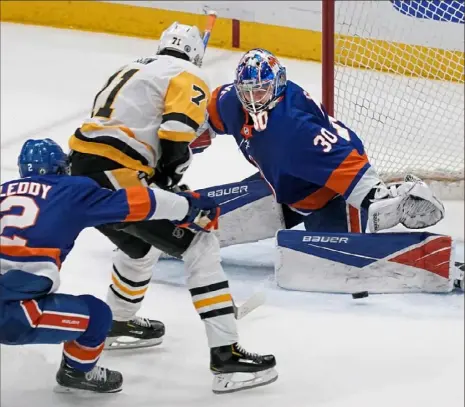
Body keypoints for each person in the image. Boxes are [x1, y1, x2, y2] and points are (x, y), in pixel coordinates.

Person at [68, 24, 278, 392]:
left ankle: (117, 322)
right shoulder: (188, 73)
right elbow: (176, 137)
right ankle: (227, 358)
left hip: (82, 171)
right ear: (196, 53)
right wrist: (170, 185)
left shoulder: (129, 68)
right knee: (200, 241)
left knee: (140, 244)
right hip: (119, 175)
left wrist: (162, 185)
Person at [0, 138, 221, 393]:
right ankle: (78, 373)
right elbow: (137, 202)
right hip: (12, 312)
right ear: (62, 167)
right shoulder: (71, 189)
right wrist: (186, 206)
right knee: (98, 316)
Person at [201, 48, 445, 235]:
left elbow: (343, 158)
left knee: (347, 251)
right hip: (284, 180)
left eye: (261, 90)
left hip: (327, 192)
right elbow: (202, 122)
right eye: (247, 91)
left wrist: (378, 199)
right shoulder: (229, 100)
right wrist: (173, 149)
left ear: (278, 84)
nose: (253, 99)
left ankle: (375, 205)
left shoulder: (295, 128)